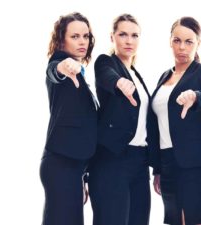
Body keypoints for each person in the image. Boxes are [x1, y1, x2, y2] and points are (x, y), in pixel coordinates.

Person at [148, 16, 201, 225]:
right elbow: (158, 124)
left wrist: (196, 97)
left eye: (189, 41)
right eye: (177, 40)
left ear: (198, 43)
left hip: (195, 161)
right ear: (170, 41)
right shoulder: (164, 76)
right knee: (174, 220)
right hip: (167, 161)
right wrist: (157, 168)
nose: (182, 47)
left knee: (193, 220)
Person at [88, 14, 151, 225]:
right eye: (122, 34)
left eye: (134, 35)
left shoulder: (137, 75)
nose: (129, 40)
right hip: (113, 159)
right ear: (112, 37)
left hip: (140, 162)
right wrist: (119, 83)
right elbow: (106, 76)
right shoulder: (107, 62)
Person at [40, 12, 97, 225]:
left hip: (73, 167)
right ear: (61, 39)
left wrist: (83, 176)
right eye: (75, 36)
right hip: (60, 164)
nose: (82, 41)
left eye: (86, 36)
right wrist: (64, 67)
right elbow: (54, 71)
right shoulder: (61, 63)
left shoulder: (81, 74)